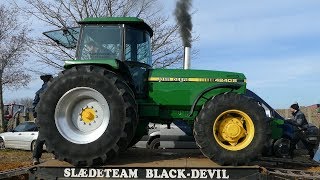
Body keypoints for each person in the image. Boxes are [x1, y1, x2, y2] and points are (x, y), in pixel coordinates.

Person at [32, 74, 53, 165]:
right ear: (50, 79)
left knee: (41, 137)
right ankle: (54, 154)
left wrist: (35, 116)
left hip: (41, 117)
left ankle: (36, 158)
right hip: (50, 116)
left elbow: (34, 106)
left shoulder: (38, 92)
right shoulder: (52, 89)